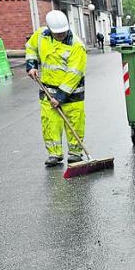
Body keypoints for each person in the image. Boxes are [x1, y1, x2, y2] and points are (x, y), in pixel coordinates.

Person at [26, 10, 88, 167]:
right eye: (57, 33)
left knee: (74, 122)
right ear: (49, 29)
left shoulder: (77, 46)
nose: (60, 35)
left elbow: (74, 75)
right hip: (47, 90)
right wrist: (31, 65)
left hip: (72, 93)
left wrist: (60, 97)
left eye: (63, 32)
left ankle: (75, 153)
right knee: (50, 123)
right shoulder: (41, 36)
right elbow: (31, 48)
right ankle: (54, 154)